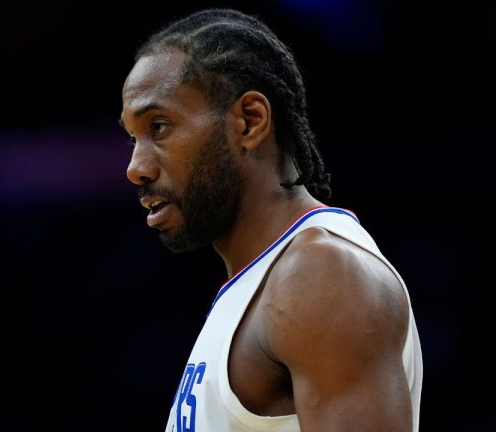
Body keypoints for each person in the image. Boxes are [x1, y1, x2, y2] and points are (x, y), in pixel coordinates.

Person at [118, 8, 423, 432]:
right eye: (134, 137)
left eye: (161, 126)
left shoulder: (320, 276)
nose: (136, 167)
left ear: (250, 121)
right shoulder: (266, 281)